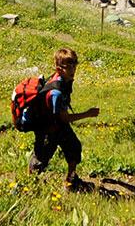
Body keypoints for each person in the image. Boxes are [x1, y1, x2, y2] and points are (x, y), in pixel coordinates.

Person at [28, 48, 99, 187]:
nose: (73, 70)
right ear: (59, 69)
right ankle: (28, 185)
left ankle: (71, 180)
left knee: (74, 147)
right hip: (48, 128)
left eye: (75, 65)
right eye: (69, 67)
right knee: (40, 159)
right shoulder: (56, 92)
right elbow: (64, 118)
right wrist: (87, 114)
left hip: (58, 125)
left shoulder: (65, 80)